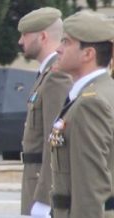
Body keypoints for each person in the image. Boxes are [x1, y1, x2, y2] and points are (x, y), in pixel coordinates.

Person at [48, 11, 114, 218]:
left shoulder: (90, 104)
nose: (58, 49)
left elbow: (90, 186)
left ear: (88, 54)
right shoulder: (103, 91)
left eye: (66, 42)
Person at [15, 7, 73, 217]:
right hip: (35, 176)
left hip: (42, 180)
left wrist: (45, 197)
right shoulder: (45, 75)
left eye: (25, 35)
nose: (20, 41)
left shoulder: (56, 76)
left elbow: (54, 139)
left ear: (42, 36)